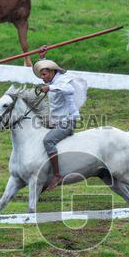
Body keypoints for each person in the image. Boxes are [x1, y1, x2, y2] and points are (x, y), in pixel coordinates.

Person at [33, 61, 83, 191]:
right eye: (41, 75)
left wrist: (50, 88)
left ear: (52, 71)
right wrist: (42, 57)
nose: (42, 78)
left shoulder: (63, 81)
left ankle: (57, 175)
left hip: (67, 123)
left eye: (44, 74)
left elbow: (70, 90)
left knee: (48, 140)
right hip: (55, 121)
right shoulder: (52, 81)